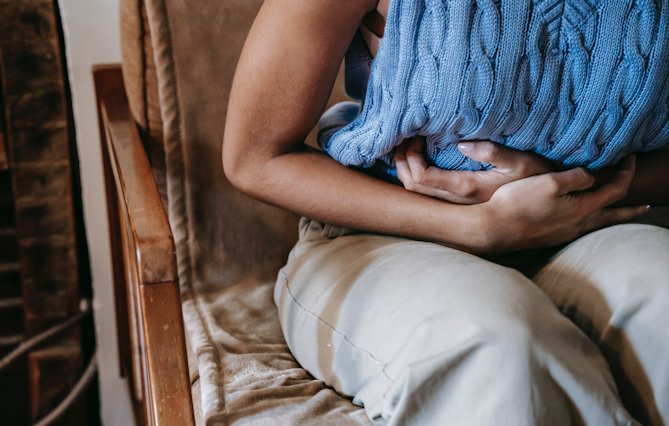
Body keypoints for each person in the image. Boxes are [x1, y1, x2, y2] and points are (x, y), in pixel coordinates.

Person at [222, 0, 669, 424]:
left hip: (592, 225)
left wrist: (563, 183)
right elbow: (256, 157)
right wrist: (475, 227)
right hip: (383, 237)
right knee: (500, 348)